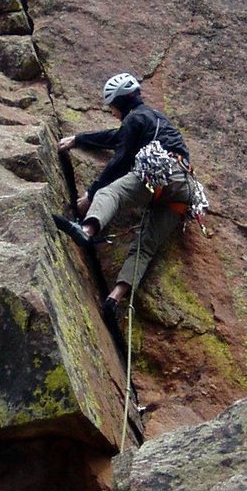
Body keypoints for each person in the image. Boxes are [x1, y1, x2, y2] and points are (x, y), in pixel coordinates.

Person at [55, 72, 199, 312]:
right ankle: (115, 297)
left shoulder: (135, 119)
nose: (112, 111)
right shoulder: (154, 118)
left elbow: (121, 159)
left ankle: (86, 230)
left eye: (112, 106)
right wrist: (79, 139)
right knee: (146, 245)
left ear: (120, 102)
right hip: (185, 189)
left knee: (110, 194)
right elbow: (117, 137)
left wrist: (91, 194)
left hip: (161, 173)